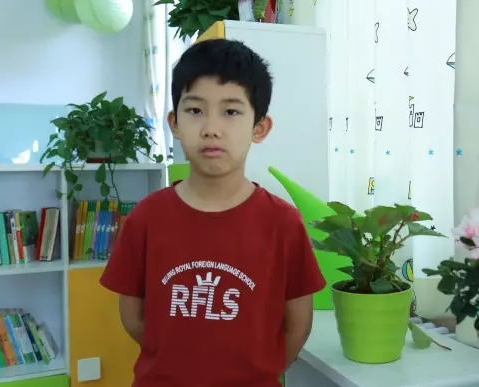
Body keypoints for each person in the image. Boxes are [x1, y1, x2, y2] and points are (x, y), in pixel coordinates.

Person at [100, 38, 326, 387]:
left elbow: (299, 325)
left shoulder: (283, 223)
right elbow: (133, 317)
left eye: (231, 112)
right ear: (174, 123)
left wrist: (258, 372)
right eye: (195, 110)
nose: (211, 128)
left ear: (259, 128)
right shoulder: (147, 217)